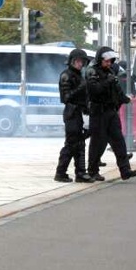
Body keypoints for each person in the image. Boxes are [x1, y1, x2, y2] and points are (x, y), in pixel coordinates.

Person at [85, 47, 136, 182]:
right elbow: (94, 90)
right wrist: (107, 81)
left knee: (119, 141)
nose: (109, 64)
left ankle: (125, 170)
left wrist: (125, 99)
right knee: (97, 143)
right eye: (107, 61)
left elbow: (117, 90)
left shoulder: (109, 72)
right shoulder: (92, 72)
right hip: (98, 112)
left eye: (111, 61)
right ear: (100, 59)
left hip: (111, 111)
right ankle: (92, 171)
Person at [54, 48, 92, 183]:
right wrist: (81, 88)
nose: (80, 64)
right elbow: (66, 98)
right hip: (71, 113)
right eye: (77, 61)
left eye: (82, 62)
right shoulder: (66, 75)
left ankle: (80, 173)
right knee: (71, 144)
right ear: (72, 61)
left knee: (80, 143)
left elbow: (83, 97)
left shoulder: (79, 76)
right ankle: (61, 172)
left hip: (78, 113)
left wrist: (87, 106)